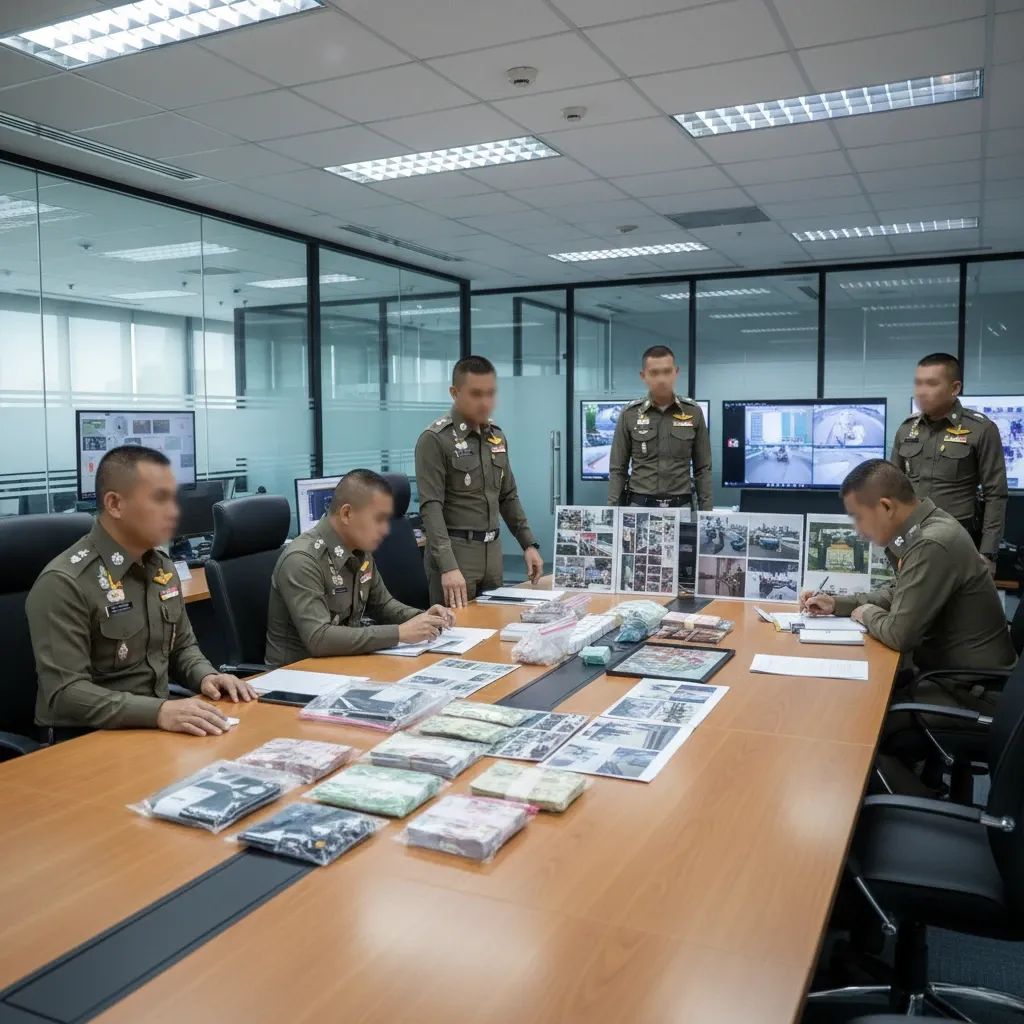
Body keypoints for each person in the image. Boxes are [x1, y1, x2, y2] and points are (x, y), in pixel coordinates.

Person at [26, 446, 255, 739]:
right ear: (115, 504)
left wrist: (207, 676)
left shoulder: (161, 567)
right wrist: (158, 712)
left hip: (156, 725)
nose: (173, 511)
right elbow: (65, 694)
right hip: (91, 739)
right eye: (159, 499)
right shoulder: (65, 582)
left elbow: (181, 647)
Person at [800, 459, 1015, 713]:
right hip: (950, 679)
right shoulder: (927, 528)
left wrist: (866, 612)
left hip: (969, 693)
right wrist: (837, 603)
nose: (857, 530)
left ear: (885, 507)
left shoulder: (930, 543)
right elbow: (899, 592)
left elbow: (899, 635)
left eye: (858, 517)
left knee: (860, 714)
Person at [265, 469, 454, 665]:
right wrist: (399, 633)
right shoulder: (302, 559)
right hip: (298, 676)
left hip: (343, 664)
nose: (385, 529)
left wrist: (424, 618)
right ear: (347, 514)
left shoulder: (359, 550)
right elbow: (319, 639)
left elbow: (383, 605)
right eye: (378, 519)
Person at [414, 355, 543, 608]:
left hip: (493, 555)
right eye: (476, 394)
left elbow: (508, 496)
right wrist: (448, 566)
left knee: (492, 632)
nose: (486, 403)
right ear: (454, 392)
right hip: (457, 555)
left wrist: (528, 544)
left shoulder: (496, 437)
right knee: (457, 636)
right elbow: (431, 507)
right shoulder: (435, 439)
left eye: (491, 393)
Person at [890, 352, 1007, 574]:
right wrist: (894, 544)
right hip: (913, 540)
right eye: (918, 383)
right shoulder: (906, 430)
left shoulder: (981, 429)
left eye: (931, 383)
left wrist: (988, 553)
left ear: (954, 388)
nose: (921, 391)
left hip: (960, 540)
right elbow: (892, 490)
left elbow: (996, 494)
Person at [607, 345, 712, 510]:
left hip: (680, 506)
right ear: (643, 376)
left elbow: (703, 469)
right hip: (639, 506)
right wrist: (612, 512)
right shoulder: (630, 414)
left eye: (667, 371)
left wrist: (707, 514)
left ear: (676, 372)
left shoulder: (693, 412)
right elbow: (617, 470)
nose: (661, 379)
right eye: (654, 373)